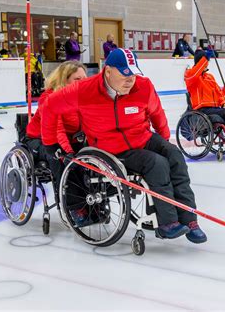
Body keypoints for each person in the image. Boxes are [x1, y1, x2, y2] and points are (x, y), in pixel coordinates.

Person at [42, 48, 206, 243]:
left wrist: (164, 142)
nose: (131, 80)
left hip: (141, 137)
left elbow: (157, 114)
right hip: (110, 149)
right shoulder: (84, 90)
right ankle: (167, 223)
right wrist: (50, 143)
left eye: (134, 74)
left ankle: (189, 219)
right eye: (125, 74)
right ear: (108, 71)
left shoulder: (143, 86)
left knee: (173, 156)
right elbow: (50, 107)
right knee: (157, 163)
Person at [26, 61, 87, 192]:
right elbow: (56, 130)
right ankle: (74, 205)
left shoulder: (83, 97)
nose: (82, 82)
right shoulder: (49, 98)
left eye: (84, 78)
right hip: (42, 140)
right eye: (77, 79)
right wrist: (68, 152)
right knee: (60, 158)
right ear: (64, 80)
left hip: (71, 139)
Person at [184, 49, 225, 154]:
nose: (206, 65)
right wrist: (205, 59)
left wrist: (223, 103)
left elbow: (218, 93)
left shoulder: (210, 77)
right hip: (202, 110)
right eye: (205, 63)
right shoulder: (191, 76)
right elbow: (195, 72)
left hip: (215, 108)